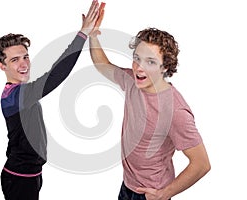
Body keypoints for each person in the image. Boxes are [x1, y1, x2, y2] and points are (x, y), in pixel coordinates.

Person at [89, 16, 211, 200]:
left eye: (151, 62)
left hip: (151, 194)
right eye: (137, 58)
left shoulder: (175, 111)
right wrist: (92, 36)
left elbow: (201, 164)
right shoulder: (132, 81)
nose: (139, 68)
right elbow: (103, 65)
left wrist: (165, 194)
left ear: (165, 67)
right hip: (128, 186)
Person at [0, 1, 101, 199]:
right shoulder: (15, 97)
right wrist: (82, 35)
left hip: (31, 175)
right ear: (2, 66)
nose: (24, 64)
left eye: (25, 57)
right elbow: (54, 76)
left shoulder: (21, 91)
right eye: (14, 60)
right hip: (19, 178)